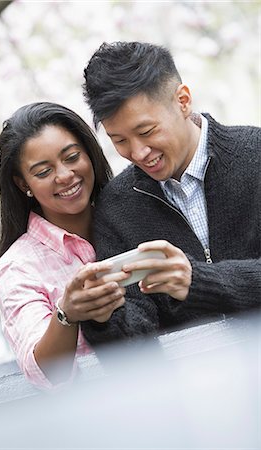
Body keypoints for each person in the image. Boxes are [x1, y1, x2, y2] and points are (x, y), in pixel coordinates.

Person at [80, 41, 261, 347]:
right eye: (119, 140)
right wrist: (101, 317)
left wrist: (199, 281)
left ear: (183, 100)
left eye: (147, 131)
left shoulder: (256, 154)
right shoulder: (116, 206)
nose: (137, 153)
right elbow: (135, 335)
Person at [0, 102, 129, 388]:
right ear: (22, 184)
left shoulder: (135, 214)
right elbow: (43, 372)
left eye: (72, 156)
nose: (64, 175)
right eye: (43, 172)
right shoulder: (16, 270)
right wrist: (67, 314)